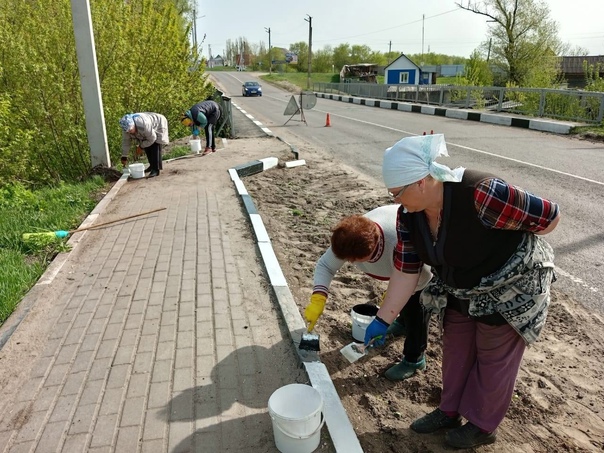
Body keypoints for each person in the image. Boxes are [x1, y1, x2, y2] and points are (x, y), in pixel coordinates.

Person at [363, 133, 560, 449]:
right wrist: (383, 319)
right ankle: (449, 410)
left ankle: (482, 425)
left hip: (512, 286)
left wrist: (514, 236)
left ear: (423, 182)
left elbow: (550, 217)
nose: (395, 200)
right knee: (456, 347)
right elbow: (405, 271)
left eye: (398, 192)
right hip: (462, 285)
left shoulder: (482, 194)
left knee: (492, 355)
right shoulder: (408, 217)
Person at [305, 206, 433, 380]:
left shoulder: (398, 242)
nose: (349, 262)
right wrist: (318, 299)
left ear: (372, 251)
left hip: (422, 271)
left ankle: (415, 359)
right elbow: (326, 265)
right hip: (398, 267)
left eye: (354, 261)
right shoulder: (349, 236)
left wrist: (392, 303)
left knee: (415, 309)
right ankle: (402, 324)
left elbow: (420, 280)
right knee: (401, 307)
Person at [119, 112, 169, 178]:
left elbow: (152, 138)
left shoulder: (143, 124)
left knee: (155, 145)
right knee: (146, 145)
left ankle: (156, 169)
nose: (129, 132)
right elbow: (126, 142)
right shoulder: (126, 129)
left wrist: (141, 146)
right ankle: (152, 166)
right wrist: (124, 156)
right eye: (127, 131)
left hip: (159, 122)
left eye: (130, 130)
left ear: (133, 124)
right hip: (149, 130)